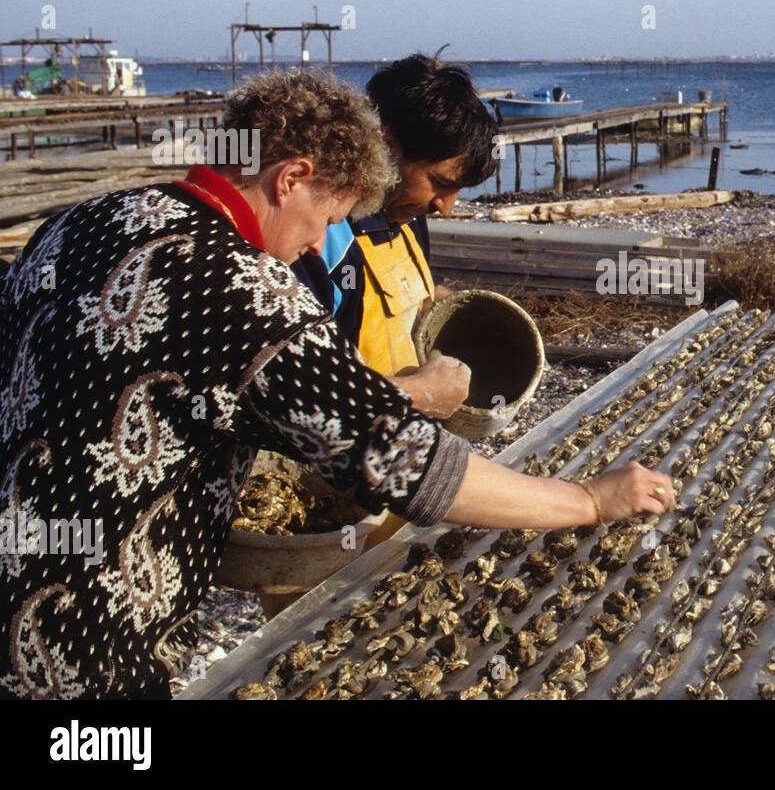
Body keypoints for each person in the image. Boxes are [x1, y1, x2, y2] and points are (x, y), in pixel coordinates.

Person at [0, 70, 673, 699]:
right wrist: (588, 499)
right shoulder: (249, 293)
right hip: (87, 654)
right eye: (327, 221)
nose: (312, 246)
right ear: (292, 177)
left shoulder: (72, 226)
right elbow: (417, 468)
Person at [292, 52, 490, 396]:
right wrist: (415, 396)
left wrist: (456, 308)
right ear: (387, 146)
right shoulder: (320, 237)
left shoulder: (406, 217)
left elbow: (419, 292)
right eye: (440, 183)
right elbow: (306, 387)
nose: (445, 206)